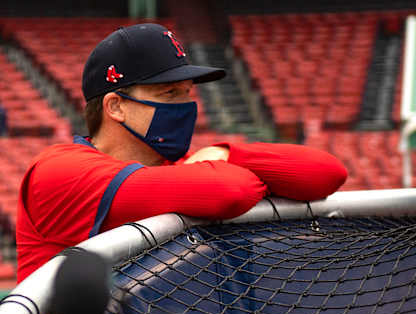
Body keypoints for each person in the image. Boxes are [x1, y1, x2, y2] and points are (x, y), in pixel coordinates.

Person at [16, 23, 348, 283]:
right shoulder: (59, 170)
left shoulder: (182, 166)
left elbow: (326, 172)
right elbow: (231, 190)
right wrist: (217, 166)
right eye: (169, 93)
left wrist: (220, 152)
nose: (187, 106)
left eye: (187, 93)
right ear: (115, 106)